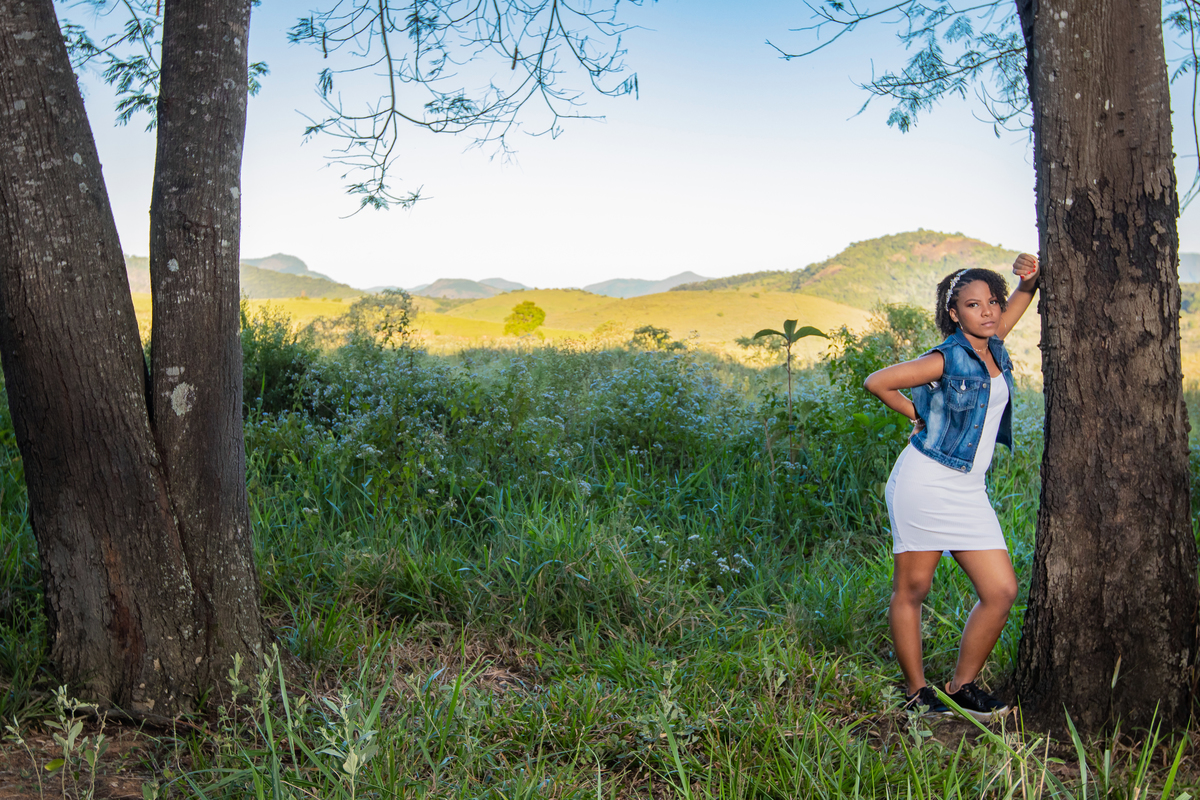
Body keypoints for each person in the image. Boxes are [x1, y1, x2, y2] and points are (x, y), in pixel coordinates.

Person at [862, 254, 1040, 721]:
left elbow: (1023, 296)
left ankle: (961, 687)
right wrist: (919, 415)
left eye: (992, 303)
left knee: (1000, 590)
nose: (987, 311)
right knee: (913, 588)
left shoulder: (994, 345)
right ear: (954, 312)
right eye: (973, 304)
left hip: (968, 490)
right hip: (924, 483)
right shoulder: (944, 358)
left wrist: (1030, 278)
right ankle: (917, 692)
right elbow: (877, 381)